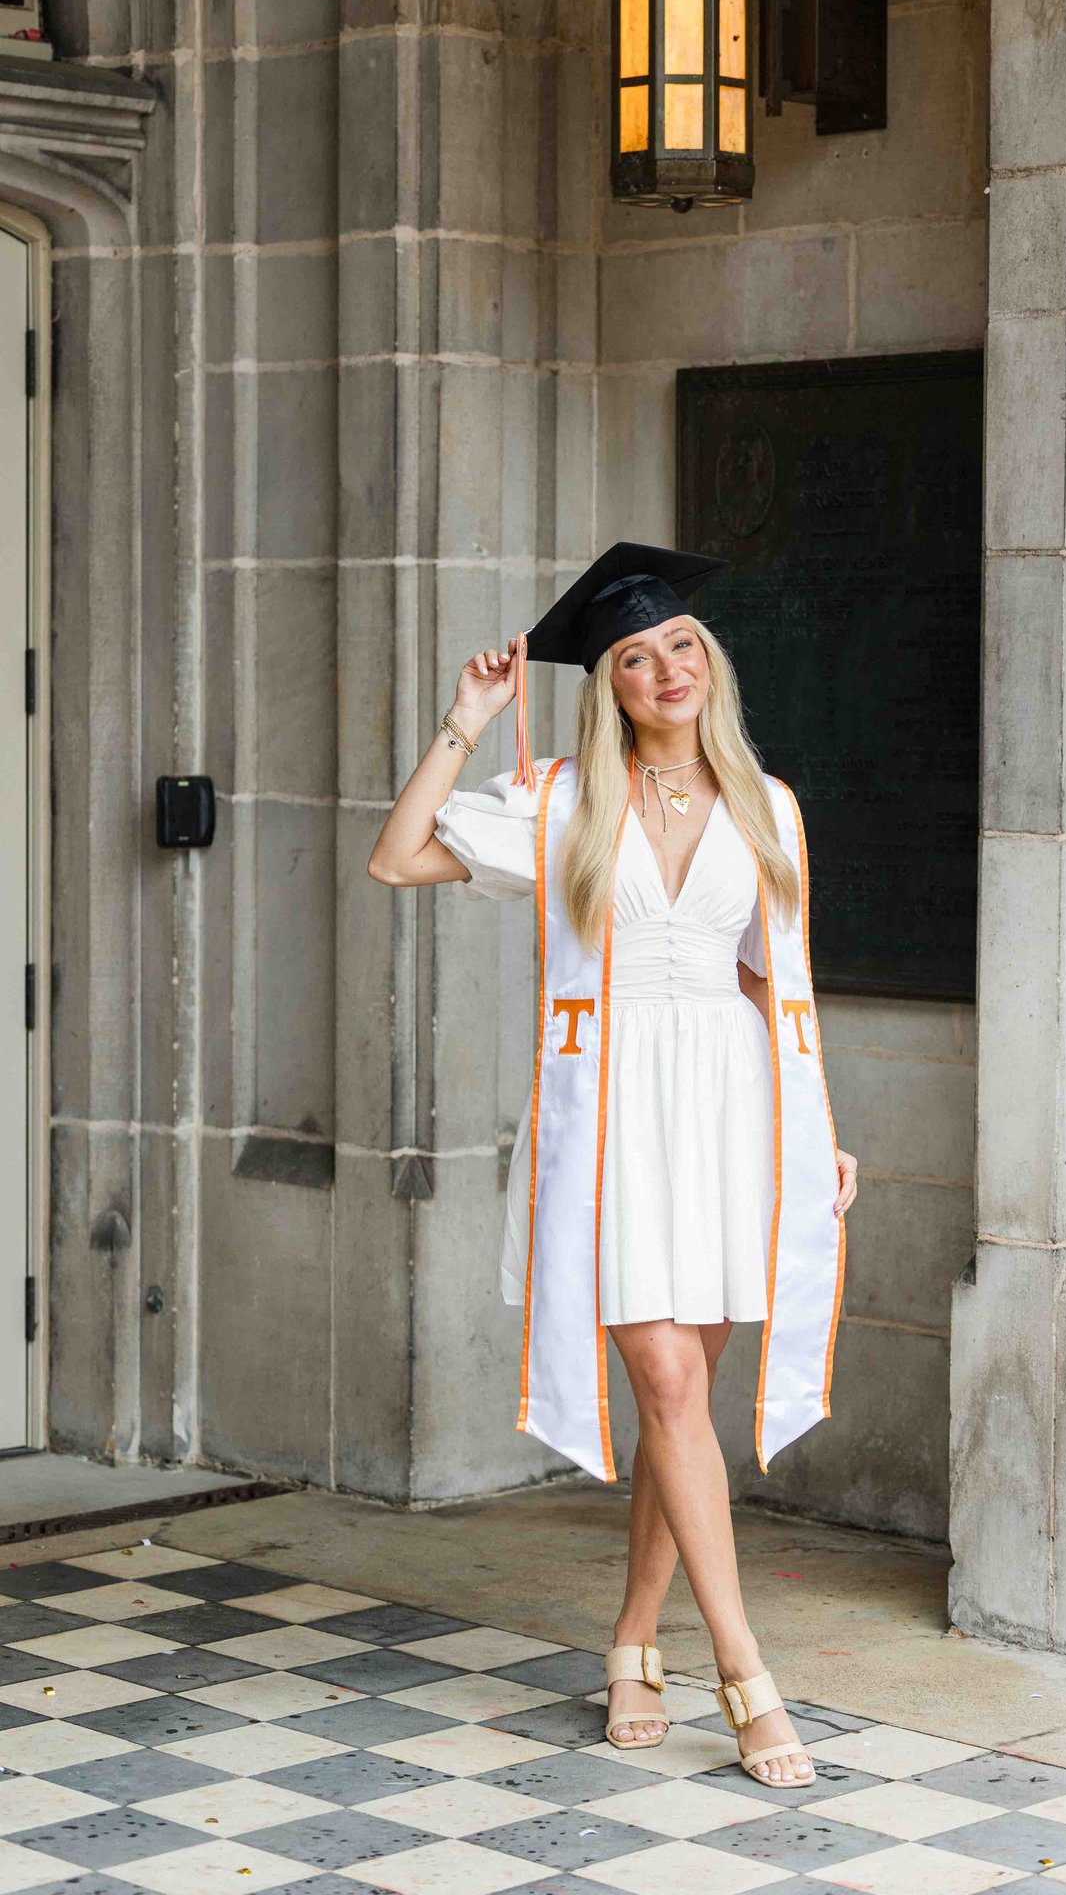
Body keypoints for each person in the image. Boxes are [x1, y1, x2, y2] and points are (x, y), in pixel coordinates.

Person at [369, 542, 858, 1789]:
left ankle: (635, 1639)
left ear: (710, 662)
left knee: (678, 1398)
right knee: (668, 1380)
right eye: (636, 657)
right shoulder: (561, 803)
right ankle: (746, 1672)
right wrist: (466, 720)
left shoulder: (767, 804)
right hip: (615, 1116)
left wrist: (819, 1130)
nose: (666, 668)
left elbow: (772, 979)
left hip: (732, 1109)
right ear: (611, 686)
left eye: (681, 644)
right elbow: (399, 854)